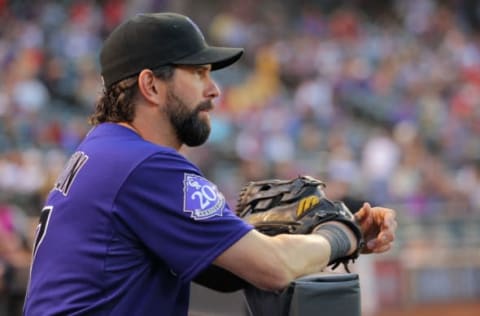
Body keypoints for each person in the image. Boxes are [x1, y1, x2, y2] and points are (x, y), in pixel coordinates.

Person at [23, 12, 397, 315]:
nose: (214, 89)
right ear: (150, 85)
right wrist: (341, 236)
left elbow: (224, 273)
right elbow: (273, 268)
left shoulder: (107, 152)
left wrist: (346, 234)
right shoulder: (145, 165)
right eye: (198, 73)